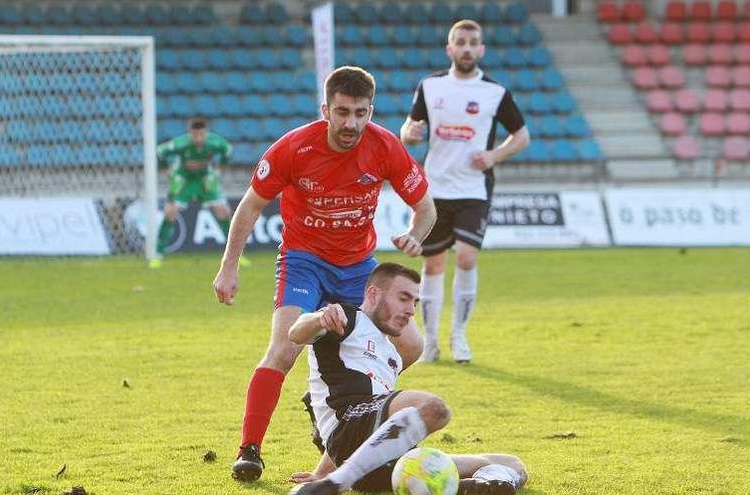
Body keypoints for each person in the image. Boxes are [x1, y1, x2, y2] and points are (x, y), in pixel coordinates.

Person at [212, 66, 437, 482]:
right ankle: (250, 449)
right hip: (304, 261)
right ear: (326, 110)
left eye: (361, 113)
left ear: (371, 111)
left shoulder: (385, 146)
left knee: (412, 346)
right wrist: (228, 268)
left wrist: (414, 235)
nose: (351, 122)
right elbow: (249, 207)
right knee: (284, 349)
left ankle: (333, 398)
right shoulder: (294, 148)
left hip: (358, 269)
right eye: (342, 112)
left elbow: (426, 208)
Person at [288, 263, 528, 495]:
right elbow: (296, 332)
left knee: (510, 463)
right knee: (433, 408)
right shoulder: (348, 319)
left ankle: (480, 487)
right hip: (350, 427)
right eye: (403, 298)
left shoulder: (391, 354)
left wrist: (321, 473)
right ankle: (336, 484)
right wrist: (319, 318)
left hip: (383, 459)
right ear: (373, 294)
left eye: (415, 302)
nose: (411, 310)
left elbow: (378, 425)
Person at [400, 19, 531, 363]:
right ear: (450, 49)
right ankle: (430, 341)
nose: (467, 48)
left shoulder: (495, 93)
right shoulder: (430, 87)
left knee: (468, 257)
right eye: (461, 42)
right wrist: (408, 135)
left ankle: (459, 336)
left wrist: (494, 155)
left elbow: (521, 136)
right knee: (433, 265)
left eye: (473, 42)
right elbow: (410, 128)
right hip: (435, 187)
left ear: (481, 49)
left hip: (474, 188)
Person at [152, 117, 246, 268]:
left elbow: (227, 150)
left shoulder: (214, 142)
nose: (198, 139)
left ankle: (235, 255)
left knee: (223, 211)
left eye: (201, 135)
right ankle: (157, 254)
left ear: (206, 133)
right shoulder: (180, 143)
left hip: (204, 177)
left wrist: (218, 169)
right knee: (170, 212)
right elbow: (160, 151)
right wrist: (167, 169)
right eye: (195, 135)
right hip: (184, 178)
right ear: (190, 133)